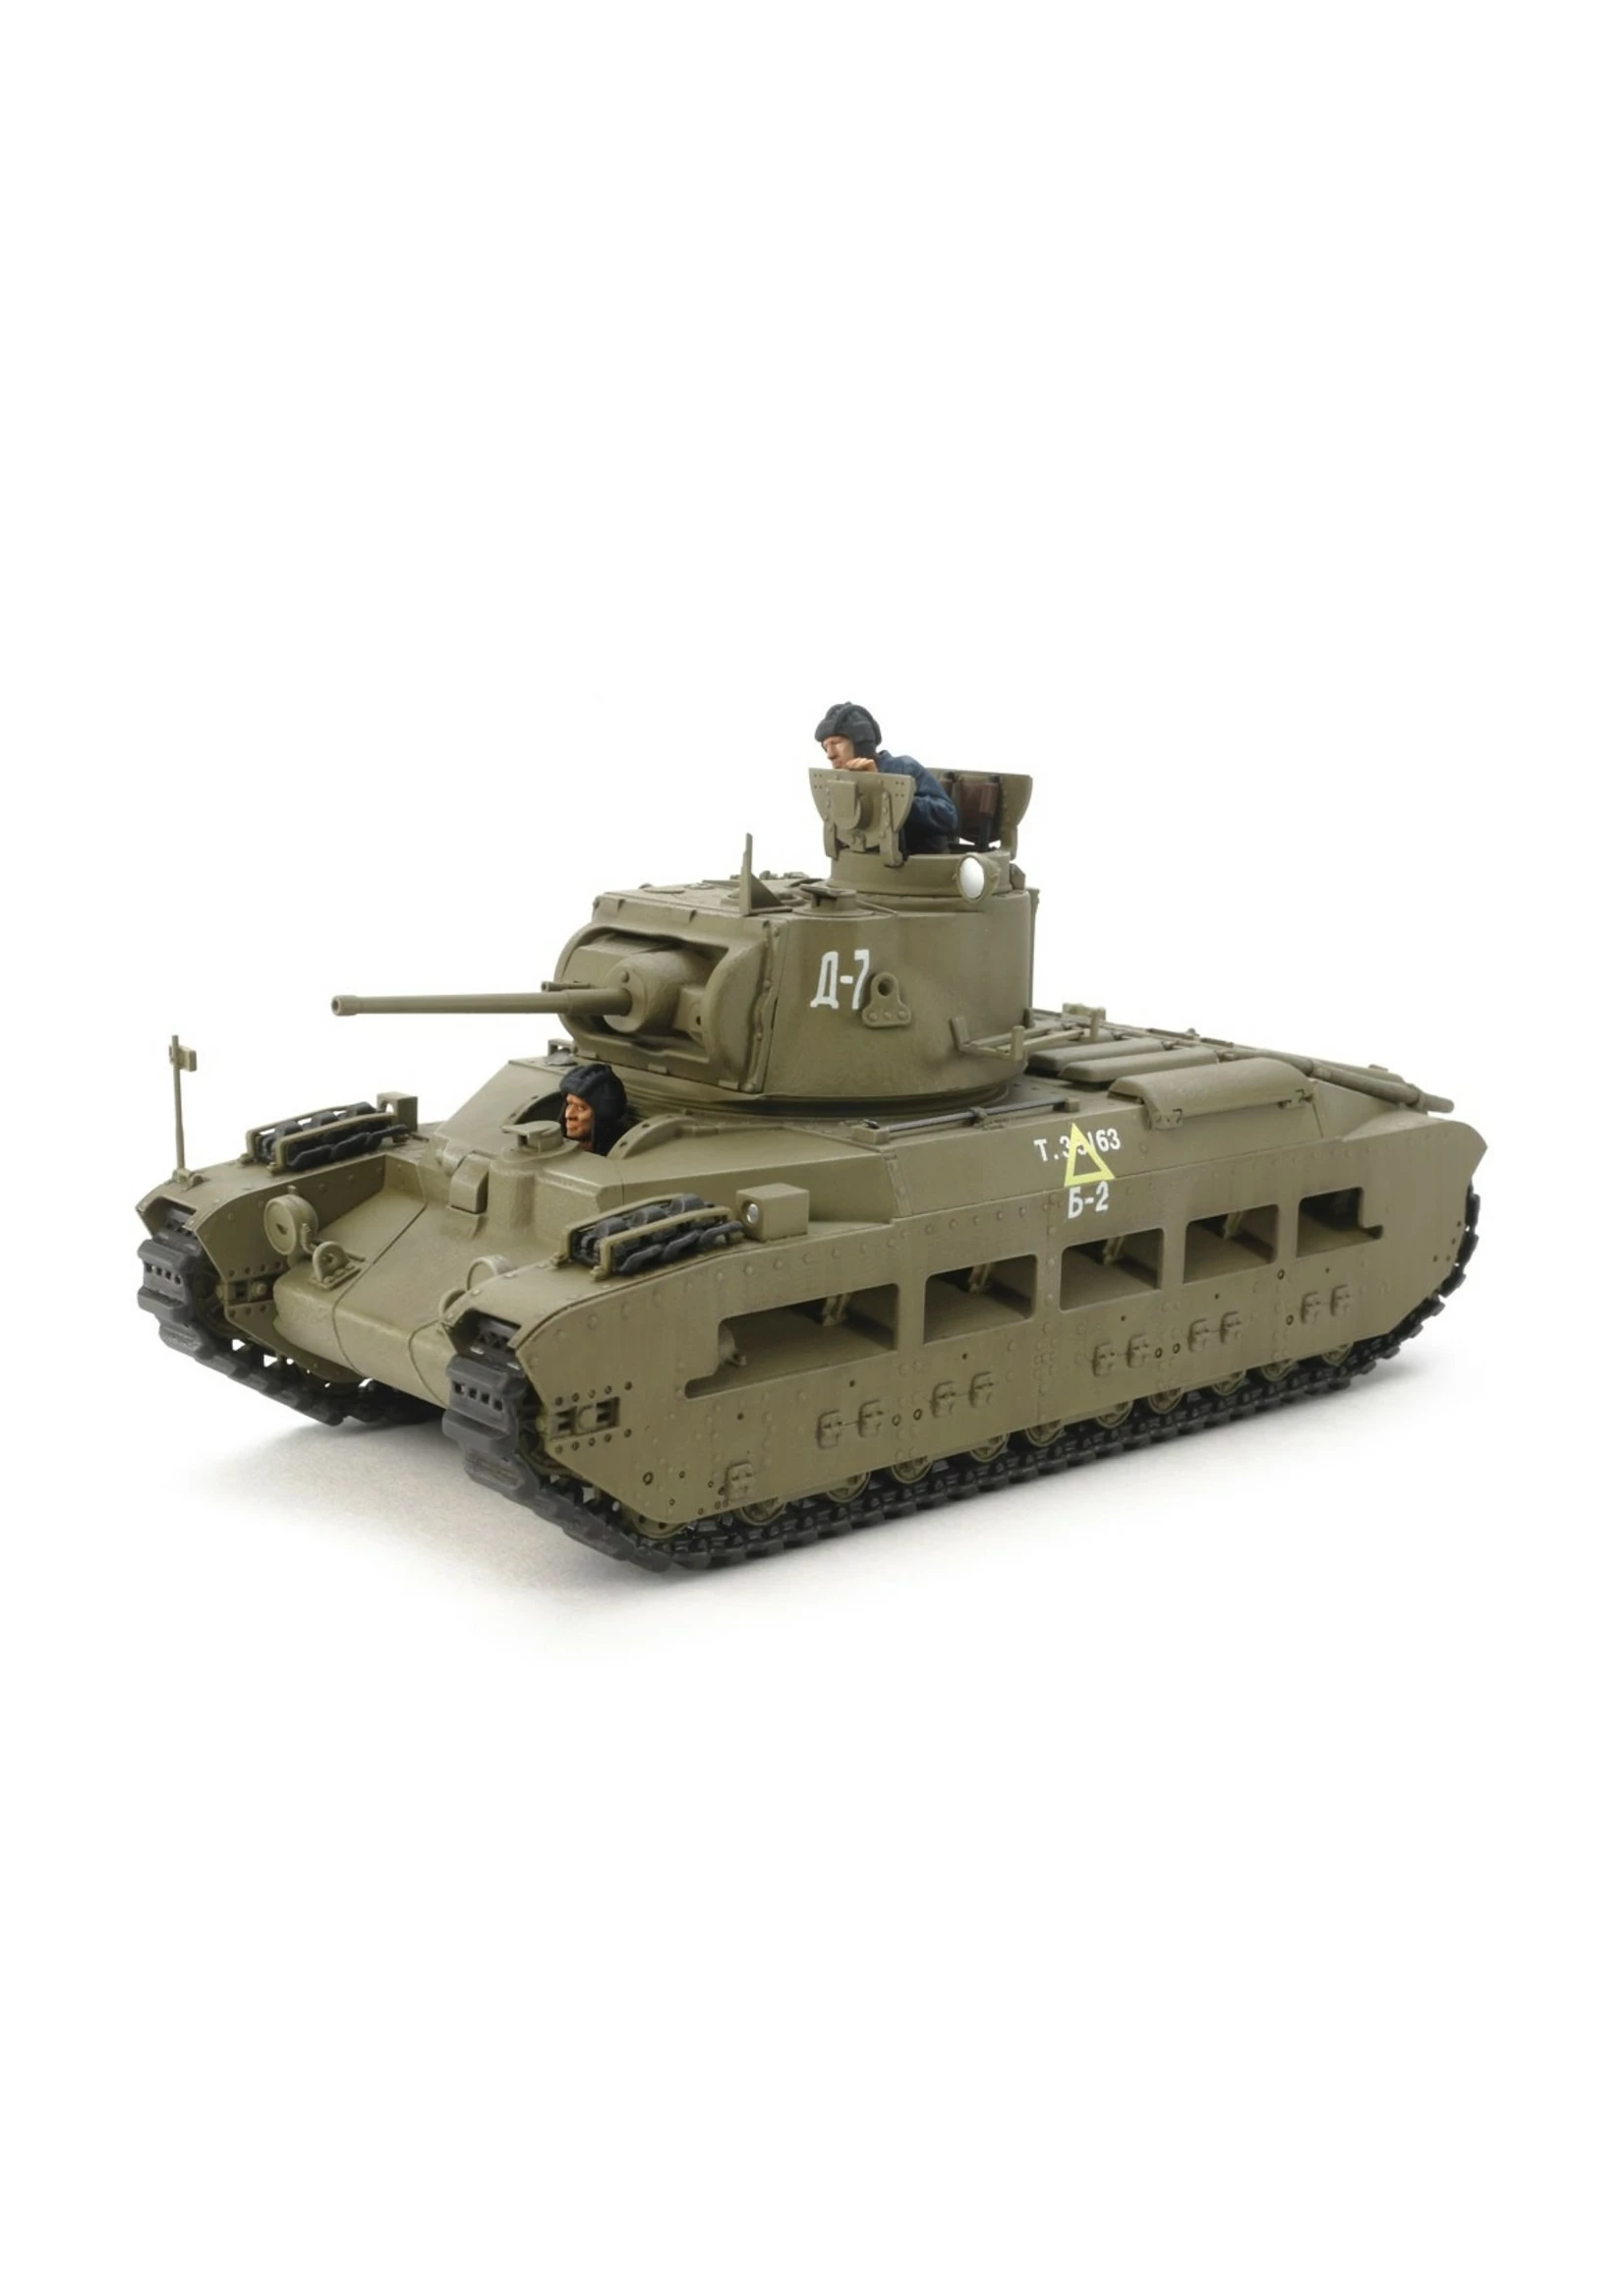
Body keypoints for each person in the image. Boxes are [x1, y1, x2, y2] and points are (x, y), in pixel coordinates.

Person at [813, 702, 958, 855]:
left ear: (861, 741)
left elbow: (948, 818)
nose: (830, 754)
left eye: (836, 743)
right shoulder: (840, 785)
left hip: (920, 864)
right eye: (826, 747)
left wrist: (887, 794)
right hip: (866, 865)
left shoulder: (903, 768)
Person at [558, 1063, 634, 1155]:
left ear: (602, 1116)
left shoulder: (617, 1155)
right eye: (569, 1104)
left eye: (581, 1108)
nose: (568, 1115)